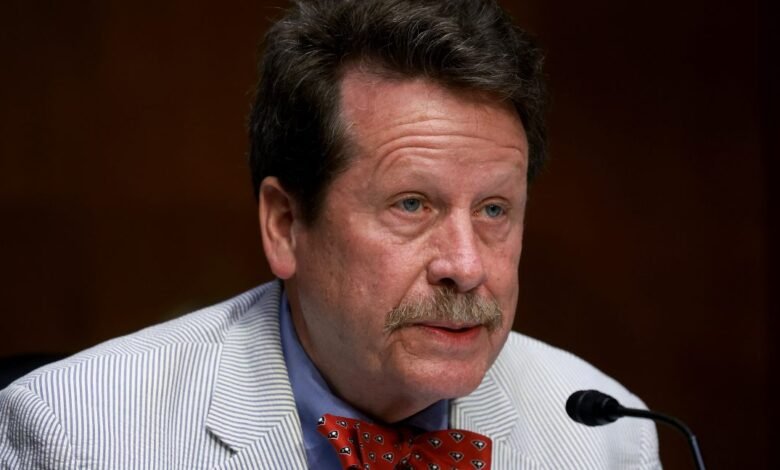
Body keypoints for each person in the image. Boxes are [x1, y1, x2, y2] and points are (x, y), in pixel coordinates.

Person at [0, 0, 661, 468]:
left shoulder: (605, 439)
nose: (466, 265)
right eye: (411, 204)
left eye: (493, 210)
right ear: (286, 225)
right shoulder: (78, 432)